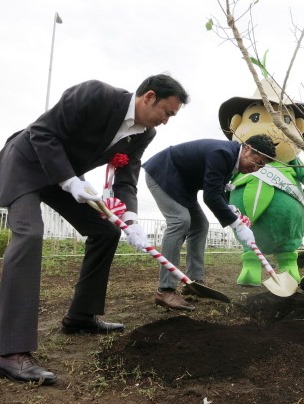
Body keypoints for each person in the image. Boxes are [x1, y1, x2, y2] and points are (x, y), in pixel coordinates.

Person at [0, 74, 189, 385]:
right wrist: (70, 180)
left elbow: (127, 175)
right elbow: (42, 133)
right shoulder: (95, 94)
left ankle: (81, 317)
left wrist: (131, 218)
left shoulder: (144, 133)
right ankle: (10, 351)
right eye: (166, 112)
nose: (166, 121)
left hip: (64, 177)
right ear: (149, 97)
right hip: (25, 162)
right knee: (30, 233)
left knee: (106, 231)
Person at [143, 134, 276, 310]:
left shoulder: (231, 160)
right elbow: (211, 197)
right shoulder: (223, 154)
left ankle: (194, 283)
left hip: (184, 185)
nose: (257, 168)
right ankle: (165, 290)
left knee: (200, 225)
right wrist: (236, 224)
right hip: (163, 174)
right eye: (257, 162)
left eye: (262, 166)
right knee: (180, 221)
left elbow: (217, 190)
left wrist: (229, 209)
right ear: (247, 150)